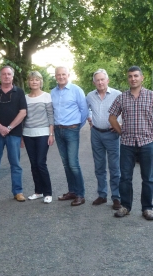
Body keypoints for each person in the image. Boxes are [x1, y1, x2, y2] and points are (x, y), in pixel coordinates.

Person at [109, 66, 153, 220]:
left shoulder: (152, 96)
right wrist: (121, 132)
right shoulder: (122, 98)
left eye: (136, 76)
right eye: (130, 76)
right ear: (128, 79)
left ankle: (147, 208)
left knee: (148, 178)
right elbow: (112, 118)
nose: (133, 79)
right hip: (127, 143)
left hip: (147, 143)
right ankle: (125, 206)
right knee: (125, 178)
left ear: (142, 78)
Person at [0, 66, 27, 202]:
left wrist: (9, 127)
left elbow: (23, 112)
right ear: (0, 76)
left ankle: (18, 191)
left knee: (15, 164)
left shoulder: (19, 92)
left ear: (12, 76)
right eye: (3, 74)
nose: (6, 76)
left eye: (9, 74)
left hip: (14, 134)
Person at [51, 66, 89, 206]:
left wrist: (77, 126)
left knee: (73, 163)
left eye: (63, 74)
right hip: (58, 130)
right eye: (58, 74)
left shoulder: (76, 90)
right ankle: (72, 191)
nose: (61, 77)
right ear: (55, 76)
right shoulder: (53, 93)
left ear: (68, 75)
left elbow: (84, 111)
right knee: (66, 163)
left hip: (72, 130)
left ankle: (80, 194)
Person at [86, 69, 122, 210]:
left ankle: (116, 197)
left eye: (102, 79)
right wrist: (89, 118)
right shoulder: (90, 96)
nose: (100, 82)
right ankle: (102, 194)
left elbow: (126, 111)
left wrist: (121, 125)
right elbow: (86, 109)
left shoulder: (117, 95)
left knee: (114, 167)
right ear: (94, 82)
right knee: (99, 166)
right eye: (97, 80)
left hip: (112, 134)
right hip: (96, 134)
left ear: (107, 80)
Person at [22, 71, 54, 204]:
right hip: (28, 134)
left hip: (43, 134)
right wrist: (21, 136)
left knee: (41, 163)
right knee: (33, 164)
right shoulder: (24, 98)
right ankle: (38, 191)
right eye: (31, 80)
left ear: (41, 82)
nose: (34, 82)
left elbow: (51, 116)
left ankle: (48, 192)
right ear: (28, 82)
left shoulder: (47, 96)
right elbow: (23, 117)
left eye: (37, 79)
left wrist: (51, 134)